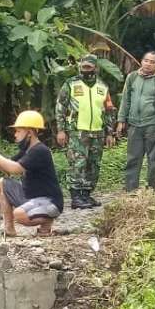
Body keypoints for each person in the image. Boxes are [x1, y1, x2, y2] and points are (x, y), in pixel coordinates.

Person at [0, 110, 64, 237]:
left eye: (18, 131)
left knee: (19, 215)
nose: (15, 135)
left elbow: (15, 168)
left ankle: (47, 222)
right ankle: (9, 229)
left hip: (50, 201)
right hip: (32, 198)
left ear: (30, 133)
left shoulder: (39, 151)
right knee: (2, 183)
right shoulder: (27, 150)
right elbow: (7, 168)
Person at [55, 55, 115, 208]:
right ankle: (76, 197)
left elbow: (108, 111)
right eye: (83, 66)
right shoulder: (71, 84)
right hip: (77, 131)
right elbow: (60, 107)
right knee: (77, 163)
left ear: (95, 67)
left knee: (93, 164)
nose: (86, 69)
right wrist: (61, 130)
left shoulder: (102, 86)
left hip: (98, 132)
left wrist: (109, 133)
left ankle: (86, 195)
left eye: (89, 66)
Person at [116, 52, 155, 192]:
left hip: (153, 124)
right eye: (146, 60)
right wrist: (121, 119)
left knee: (153, 160)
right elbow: (125, 100)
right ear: (141, 61)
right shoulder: (132, 77)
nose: (148, 64)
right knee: (132, 158)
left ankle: (151, 191)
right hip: (134, 124)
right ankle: (130, 190)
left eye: (152, 62)